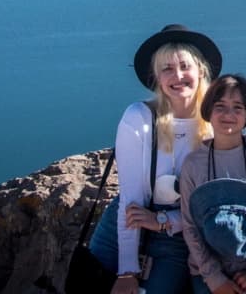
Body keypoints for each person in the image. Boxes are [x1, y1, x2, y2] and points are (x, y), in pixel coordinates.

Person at [89, 24, 223, 294]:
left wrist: (163, 221)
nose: (178, 76)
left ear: (201, 70)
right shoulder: (139, 118)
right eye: (167, 69)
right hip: (124, 230)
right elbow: (131, 200)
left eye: (185, 66)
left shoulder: (216, 125)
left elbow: (211, 206)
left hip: (176, 236)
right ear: (157, 77)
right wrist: (127, 271)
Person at [179, 74, 246, 294]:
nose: (229, 114)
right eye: (220, 106)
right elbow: (190, 225)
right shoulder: (193, 164)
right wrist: (214, 278)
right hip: (207, 274)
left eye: (238, 107)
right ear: (208, 111)